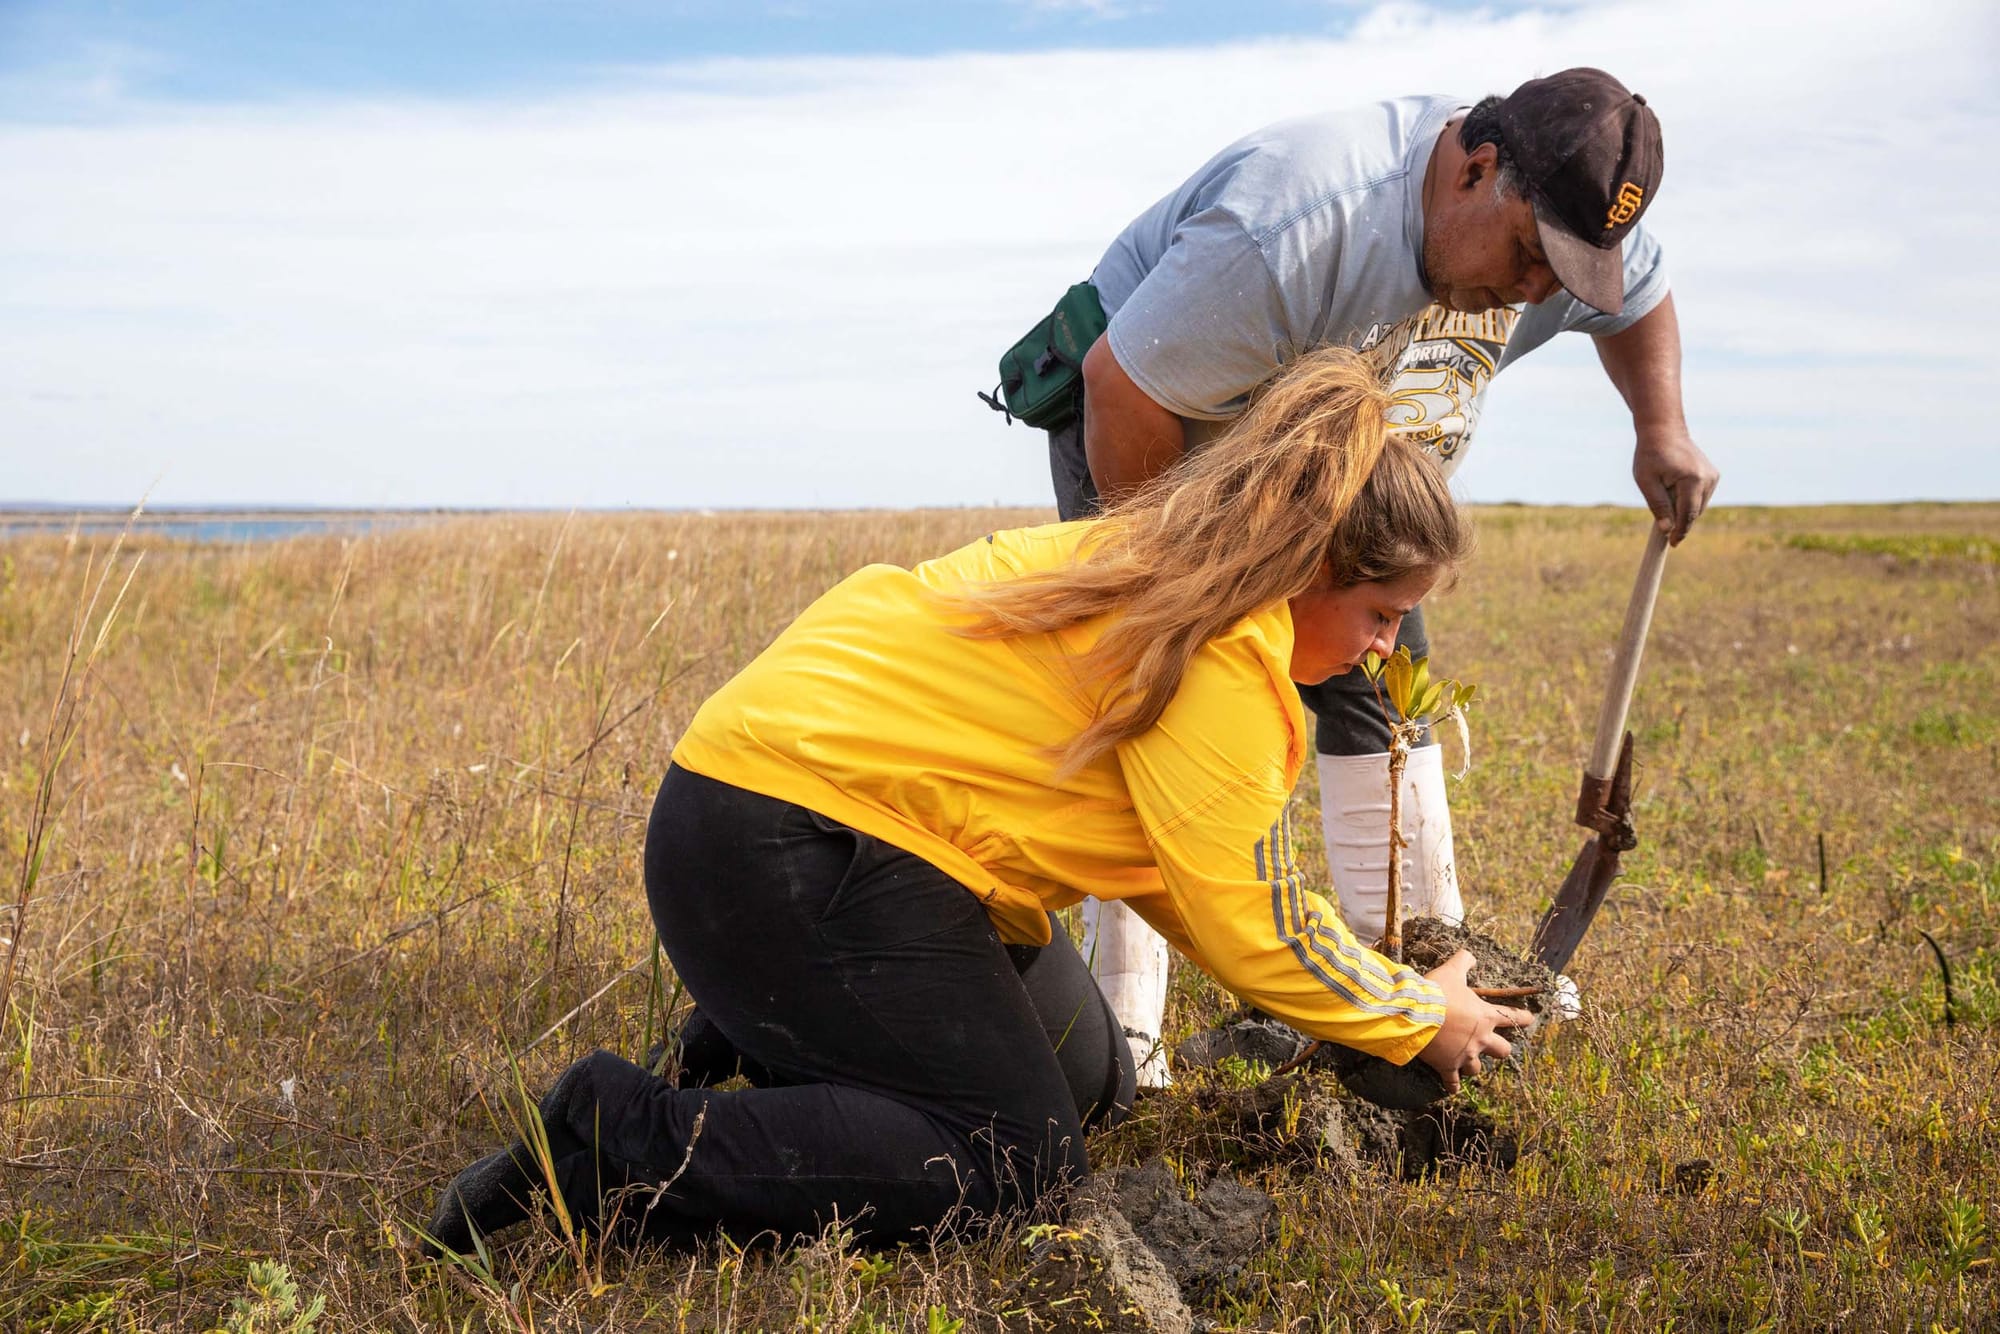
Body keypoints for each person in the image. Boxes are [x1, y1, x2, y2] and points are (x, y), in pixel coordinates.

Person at [425, 348, 1532, 1256]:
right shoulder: (1227, 657)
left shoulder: (1164, 571)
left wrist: (1391, 995)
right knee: (1009, 1162)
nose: (1386, 648)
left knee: (1086, 1076)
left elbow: (1192, 885)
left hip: (828, 830)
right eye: (1382, 613)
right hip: (780, 839)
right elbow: (1250, 924)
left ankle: (769, 1038)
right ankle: (616, 1133)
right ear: (1307, 565)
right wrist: (1417, 1013)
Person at [1034, 68, 1721, 1083]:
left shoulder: (1563, 227)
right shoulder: (1294, 226)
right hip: (1159, 426)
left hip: (1339, 469)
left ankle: (1411, 972)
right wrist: (1178, 595)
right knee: (1155, 700)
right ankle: (1123, 1040)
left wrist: (1658, 427)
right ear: (1475, 171)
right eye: (1531, 257)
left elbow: (1641, 297)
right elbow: (1121, 385)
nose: (1535, 294)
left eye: (1566, 277)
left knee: (1383, 696)